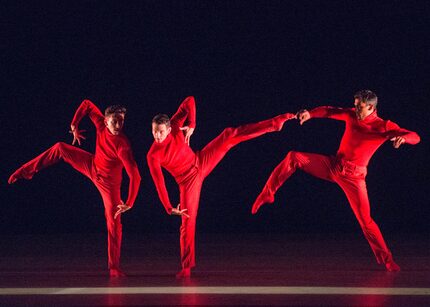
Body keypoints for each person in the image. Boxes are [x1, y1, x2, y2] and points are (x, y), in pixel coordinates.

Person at [251, 90, 420, 272]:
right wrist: (310, 113)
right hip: (333, 166)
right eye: (355, 104)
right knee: (293, 157)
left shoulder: (384, 126)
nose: (355, 108)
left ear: (371, 107)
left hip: (354, 178)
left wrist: (404, 138)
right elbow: (329, 111)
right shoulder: (351, 115)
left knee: (366, 221)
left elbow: (415, 136)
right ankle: (268, 194)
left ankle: (387, 260)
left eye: (359, 106)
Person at [147, 96, 295, 278]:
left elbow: (190, 101)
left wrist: (192, 125)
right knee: (187, 222)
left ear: (169, 129)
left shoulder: (176, 125)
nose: (157, 136)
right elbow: (159, 182)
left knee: (229, 135)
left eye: (160, 132)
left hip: (200, 160)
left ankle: (274, 124)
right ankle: (186, 267)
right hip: (188, 182)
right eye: (154, 132)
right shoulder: (153, 155)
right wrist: (169, 207)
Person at [8, 99, 141, 277]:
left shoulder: (122, 145)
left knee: (114, 221)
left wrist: (130, 202)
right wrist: (74, 125)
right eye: (115, 120)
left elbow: (136, 176)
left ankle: (114, 267)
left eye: (122, 121)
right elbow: (86, 105)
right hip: (92, 165)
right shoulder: (100, 124)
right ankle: (25, 171)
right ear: (106, 120)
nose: (118, 125)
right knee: (60, 147)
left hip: (109, 185)